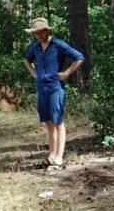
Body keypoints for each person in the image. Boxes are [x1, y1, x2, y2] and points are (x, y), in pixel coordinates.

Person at [23, 17, 85, 170]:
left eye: (40, 32)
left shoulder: (58, 45)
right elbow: (27, 60)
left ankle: (59, 158)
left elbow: (79, 57)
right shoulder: (35, 47)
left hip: (55, 88)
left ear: (47, 31)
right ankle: (51, 156)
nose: (38, 35)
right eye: (36, 33)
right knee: (48, 122)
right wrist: (35, 74)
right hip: (41, 89)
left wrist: (67, 73)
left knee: (57, 122)